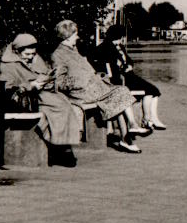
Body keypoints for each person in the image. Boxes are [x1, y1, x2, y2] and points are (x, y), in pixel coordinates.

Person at [51, 20, 149, 153]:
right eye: (75, 34)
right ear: (67, 36)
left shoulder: (73, 50)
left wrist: (98, 75)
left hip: (93, 88)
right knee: (120, 93)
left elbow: (83, 69)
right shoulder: (58, 55)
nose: (78, 37)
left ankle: (129, 133)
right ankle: (129, 134)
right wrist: (81, 81)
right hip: (81, 92)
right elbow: (59, 81)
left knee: (120, 94)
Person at [0, 33, 82, 166]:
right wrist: (30, 85)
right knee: (57, 109)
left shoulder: (36, 59)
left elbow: (44, 73)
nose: (31, 57)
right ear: (17, 51)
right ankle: (61, 148)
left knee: (64, 105)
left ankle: (63, 145)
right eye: (27, 54)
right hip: (26, 99)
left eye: (33, 53)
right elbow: (8, 87)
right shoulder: (8, 65)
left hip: (42, 95)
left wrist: (48, 81)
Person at [95, 25, 166, 130]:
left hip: (129, 76)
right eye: (119, 38)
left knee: (154, 91)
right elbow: (111, 66)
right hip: (119, 79)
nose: (120, 40)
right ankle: (147, 119)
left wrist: (129, 65)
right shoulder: (105, 48)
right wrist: (124, 67)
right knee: (150, 90)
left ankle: (152, 119)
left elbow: (128, 61)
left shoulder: (120, 47)